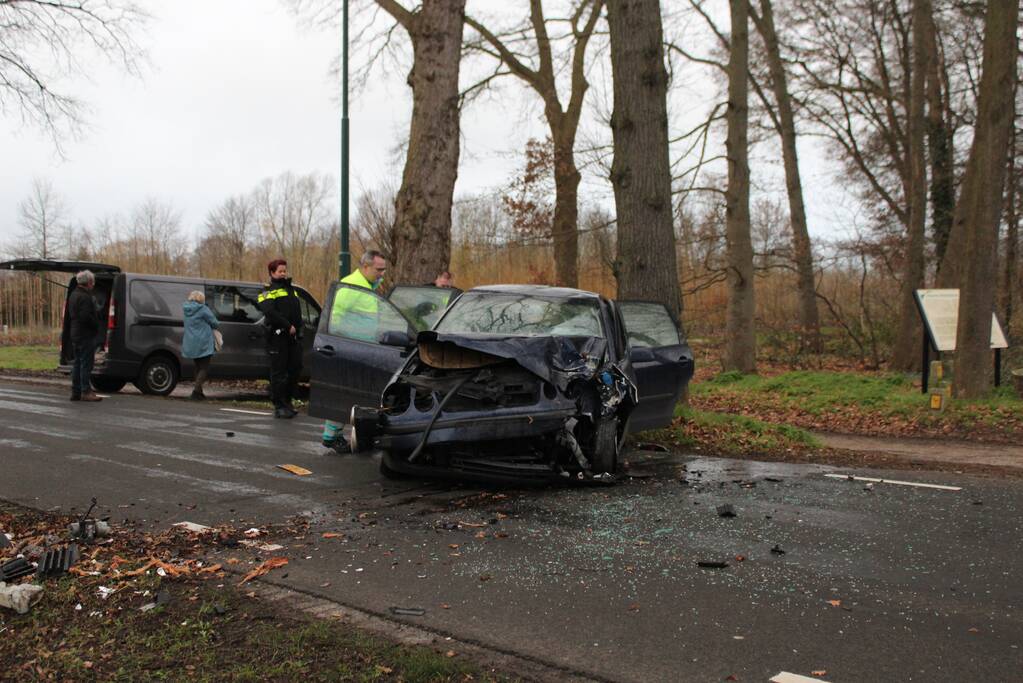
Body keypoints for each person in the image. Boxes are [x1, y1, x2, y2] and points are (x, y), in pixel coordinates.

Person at [322, 250, 388, 449]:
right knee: (347, 395)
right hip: (350, 351)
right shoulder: (351, 286)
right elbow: (335, 315)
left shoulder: (366, 286)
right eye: (379, 269)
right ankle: (331, 437)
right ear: (365, 266)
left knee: (356, 397)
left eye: (384, 270)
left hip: (363, 351)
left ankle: (341, 436)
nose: (382, 274)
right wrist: (339, 343)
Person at [257, 259, 303, 419]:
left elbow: (297, 312)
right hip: (277, 337)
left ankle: (288, 402)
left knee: (294, 370)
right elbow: (269, 312)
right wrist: (287, 325)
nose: (283, 273)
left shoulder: (291, 290)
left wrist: (299, 327)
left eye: (285, 270)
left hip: (293, 338)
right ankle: (279, 405)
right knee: (279, 373)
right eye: (280, 271)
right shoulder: (266, 291)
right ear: (272, 273)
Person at [68, 270, 102, 402]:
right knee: (86, 364)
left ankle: (75, 392)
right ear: (89, 283)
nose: (93, 285)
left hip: (75, 333)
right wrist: (96, 325)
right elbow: (85, 317)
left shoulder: (73, 295)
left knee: (77, 363)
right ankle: (86, 391)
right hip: (85, 334)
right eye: (92, 282)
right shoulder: (86, 297)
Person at [182, 290, 219, 400]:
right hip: (203, 342)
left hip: (191, 342)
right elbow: (215, 323)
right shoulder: (203, 309)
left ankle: (199, 393)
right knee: (204, 368)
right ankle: (195, 391)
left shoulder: (186, 309)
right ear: (201, 299)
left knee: (197, 367)